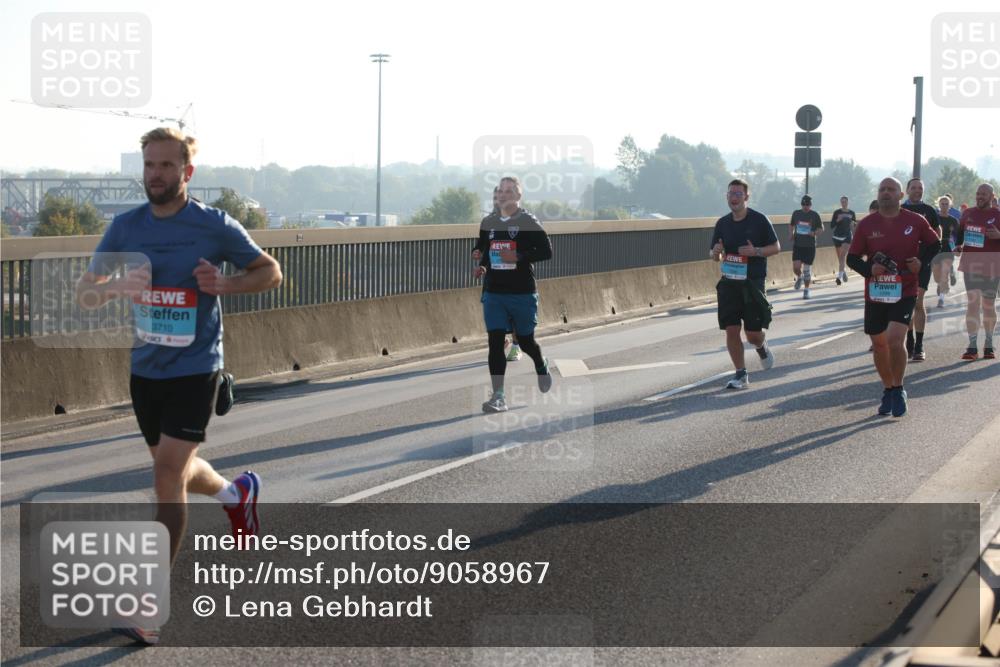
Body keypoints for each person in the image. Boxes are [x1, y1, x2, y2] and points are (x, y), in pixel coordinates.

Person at [76, 128, 282, 644]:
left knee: (166, 475)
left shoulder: (213, 226)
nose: (156, 175)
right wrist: (117, 286)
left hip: (196, 368)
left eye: (167, 166)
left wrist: (228, 284)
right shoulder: (126, 228)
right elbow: (86, 293)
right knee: (178, 469)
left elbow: (270, 271)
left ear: (187, 172)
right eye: (149, 166)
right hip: (146, 370)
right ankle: (237, 494)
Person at [847, 177, 940, 418]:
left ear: (900, 195)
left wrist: (921, 261)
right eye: (882, 189)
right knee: (879, 345)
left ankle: (898, 388)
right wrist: (869, 270)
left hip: (905, 289)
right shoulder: (867, 224)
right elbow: (852, 258)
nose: (885, 193)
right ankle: (887, 388)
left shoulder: (915, 220)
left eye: (891, 190)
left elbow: (935, 244)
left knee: (895, 339)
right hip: (876, 293)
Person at [474, 176, 553, 412]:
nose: (504, 194)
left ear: (518, 196)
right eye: (501, 190)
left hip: (521, 292)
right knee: (495, 342)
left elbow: (547, 251)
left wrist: (518, 256)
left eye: (510, 191)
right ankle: (498, 396)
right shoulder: (488, 221)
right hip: (494, 291)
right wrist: (480, 261)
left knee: (527, 341)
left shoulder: (527, 221)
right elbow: (484, 249)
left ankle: (540, 363)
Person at [710, 178, 780, 389]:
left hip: (752, 284)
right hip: (729, 282)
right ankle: (740, 374)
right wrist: (715, 253)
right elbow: (714, 253)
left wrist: (756, 251)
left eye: (738, 194)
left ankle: (761, 346)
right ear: (727, 197)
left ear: (747, 197)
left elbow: (776, 246)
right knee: (732, 330)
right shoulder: (722, 223)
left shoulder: (759, 220)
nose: (734, 198)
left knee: (752, 334)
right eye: (731, 194)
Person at [473, 187, 521, 360]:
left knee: (514, 315)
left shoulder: (522, 220)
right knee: (493, 314)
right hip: (493, 277)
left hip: (515, 277)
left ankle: (516, 347)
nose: (498, 200)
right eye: (495, 197)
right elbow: (482, 245)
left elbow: (533, 247)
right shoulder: (488, 221)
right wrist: (477, 254)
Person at [954, 183, 1000, 360]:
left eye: (984, 194)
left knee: (988, 305)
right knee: (973, 303)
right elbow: (959, 234)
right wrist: (958, 245)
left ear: (991, 196)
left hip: (992, 265)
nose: (980, 196)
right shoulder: (967, 213)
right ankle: (972, 346)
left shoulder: (998, 215)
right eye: (978, 193)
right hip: (971, 264)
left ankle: (989, 344)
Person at [900, 178, 942, 361]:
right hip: (902, 264)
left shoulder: (929, 211)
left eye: (921, 188)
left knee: (918, 301)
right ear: (907, 190)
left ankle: (919, 345)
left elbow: (938, 235)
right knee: (906, 303)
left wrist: (928, 257)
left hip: (923, 263)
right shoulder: (899, 210)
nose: (918, 191)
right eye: (914, 188)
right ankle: (908, 340)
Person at [789, 194, 823, 299]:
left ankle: (806, 290)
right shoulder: (796, 213)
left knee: (807, 270)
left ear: (811, 205)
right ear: (801, 204)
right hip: (798, 245)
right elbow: (791, 225)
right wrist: (791, 234)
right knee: (796, 267)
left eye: (807, 205)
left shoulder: (815, 215)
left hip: (809, 246)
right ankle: (800, 277)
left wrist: (814, 233)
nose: (805, 207)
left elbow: (821, 229)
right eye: (804, 205)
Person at [933, 195, 960, 308]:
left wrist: (958, 247)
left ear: (950, 206)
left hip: (947, 249)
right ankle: (942, 283)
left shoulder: (953, 220)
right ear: (938, 205)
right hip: (935, 248)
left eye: (946, 204)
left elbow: (959, 236)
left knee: (944, 273)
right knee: (937, 276)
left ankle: (941, 299)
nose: (944, 206)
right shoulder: (934, 218)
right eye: (942, 204)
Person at [830, 196, 857, 285]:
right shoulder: (837, 212)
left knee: (842, 256)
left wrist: (853, 224)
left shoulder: (852, 213)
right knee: (840, 258)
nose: (843, 203)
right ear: (840, 202)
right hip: (837, 236)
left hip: (847, 236)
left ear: (848, 202)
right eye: (842, 201)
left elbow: (854, 225)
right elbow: (832, 225)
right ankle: (843, 271)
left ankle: (839, 277)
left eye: (845, 201)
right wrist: (838, 219)